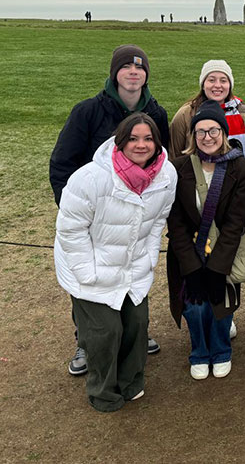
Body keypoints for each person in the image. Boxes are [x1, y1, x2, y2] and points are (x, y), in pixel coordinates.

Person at [49, 44, 170, 376]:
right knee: (88, 276)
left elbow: (162, 166)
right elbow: (62, 164)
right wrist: (72, 210)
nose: (133, 73)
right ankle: (87, 342)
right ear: (115, 73)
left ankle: (132, 335)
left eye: (139, 68)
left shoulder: (157, 114)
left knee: (132, 271)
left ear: (146, 74)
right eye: (126, 68)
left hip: (136, 213)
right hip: (93, 215)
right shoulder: (88, 111)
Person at [54, 113, 177, 412]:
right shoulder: (90, 178)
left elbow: (159, 220)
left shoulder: (167, 175)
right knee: (105, 332)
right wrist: (87, 272)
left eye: (148, 138)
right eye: (133, 138)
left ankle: (131, 382)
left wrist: (148, 257)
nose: (141, 145)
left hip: (133, 266)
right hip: (90, 268)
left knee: (137, 323)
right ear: (119, 142)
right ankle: (102, 390)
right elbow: (70, 230)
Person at [166, 101, 245, 380]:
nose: (207, 137)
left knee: (221, 299)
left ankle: (221, 349)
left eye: (214, 130)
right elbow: (176, 223)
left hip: (224, 250)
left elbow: (235, 222)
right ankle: (199, 351)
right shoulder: (178, 168)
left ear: (224, 133)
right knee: (194, 303)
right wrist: (191, 266)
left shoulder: (240, 168)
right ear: (192, 135)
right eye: (200, 131)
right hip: (188, 250)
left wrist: (218, 266)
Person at [169, 59, 245, 159]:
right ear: (203, 85)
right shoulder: (185, 115)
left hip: (236, 173)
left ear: (230, 85)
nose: (217, 85)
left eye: (223, 80)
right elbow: (175, 155)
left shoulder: (244, 113)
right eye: (211, 80)